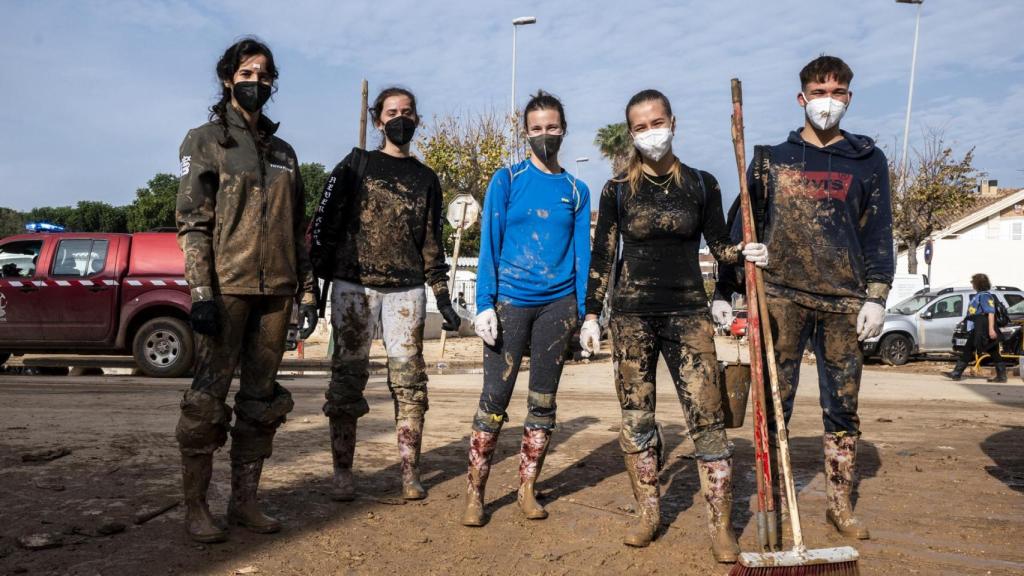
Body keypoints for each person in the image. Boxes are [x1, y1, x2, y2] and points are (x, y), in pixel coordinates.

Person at [580, 89, 767, 559]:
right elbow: (603, 255)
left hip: (688, 314)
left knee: (708, 421)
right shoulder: (618, 189)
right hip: (631, 317)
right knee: (637, 420)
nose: (650, 133)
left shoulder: (701, 185)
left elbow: (719, 244)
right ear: (631, 132)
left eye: (656, 122)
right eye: (640, 127)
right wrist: (590, 313)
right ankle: (648, 514)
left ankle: (721, 527)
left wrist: (745, 253)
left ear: (673, 122)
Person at [717, 55, 894, 541]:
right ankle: (769, 499)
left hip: (844, 300)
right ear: (802, 98)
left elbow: (879, 232)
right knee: (776, 406)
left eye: (837, 93)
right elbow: (741, 226)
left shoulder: (869, 161)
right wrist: (727, 284)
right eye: (819, 92)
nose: (828, 102)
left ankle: (839, 502)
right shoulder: (773, 159)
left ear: (849, 99)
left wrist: (877, 295)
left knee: (843, 407)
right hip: (782, 298)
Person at [175, 38, 318, 543]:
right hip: (227, 289)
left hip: (276, 293)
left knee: (260, 402)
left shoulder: (284, 153)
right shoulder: (207, 141)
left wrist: (306, 292)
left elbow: (299, 230)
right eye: (246, 73)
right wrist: (201, 294)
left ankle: (245, 503)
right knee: (206, 401)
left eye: (264, 75)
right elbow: (193, 224)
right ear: (227, 78)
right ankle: (196, 508)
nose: (255, 82)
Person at [310, 87, 460, 502]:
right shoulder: (356, 165)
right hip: (353, 286)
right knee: (346, 381)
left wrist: (442, 295)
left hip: (407, 290)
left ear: (417, 119)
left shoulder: (426, 178)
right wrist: (310, 291)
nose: (400, 119)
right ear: (378, 121)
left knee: (410, 383)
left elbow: (432, 242)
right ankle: (342, 474)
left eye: (407, 112)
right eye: (392, 112)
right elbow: (322, 224)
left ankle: (409, 473)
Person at [462, 91, 591, 527]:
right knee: (493, 402)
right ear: (525, 133)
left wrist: (585, 312)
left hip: (558, 308)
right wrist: (484, 303)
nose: (545, 135)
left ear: (564, 129)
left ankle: (527, 488)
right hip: (510, 306)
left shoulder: (576, 190)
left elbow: (581, 256)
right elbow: (489, 246)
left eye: (552, 127)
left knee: (542, 404)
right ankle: (475, 494)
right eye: (536, 128)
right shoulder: (507, 180)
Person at [945, 273, 1007, 382]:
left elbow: (990, 312)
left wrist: (991, 329)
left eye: (973, 282)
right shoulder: (979, 295)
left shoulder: (984, 295)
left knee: (972, 349)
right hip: (979, 325)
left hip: (983, 325)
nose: (972, 284)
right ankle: (1001, 376)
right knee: (987, 350)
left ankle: (957, 373)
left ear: (978, 283)